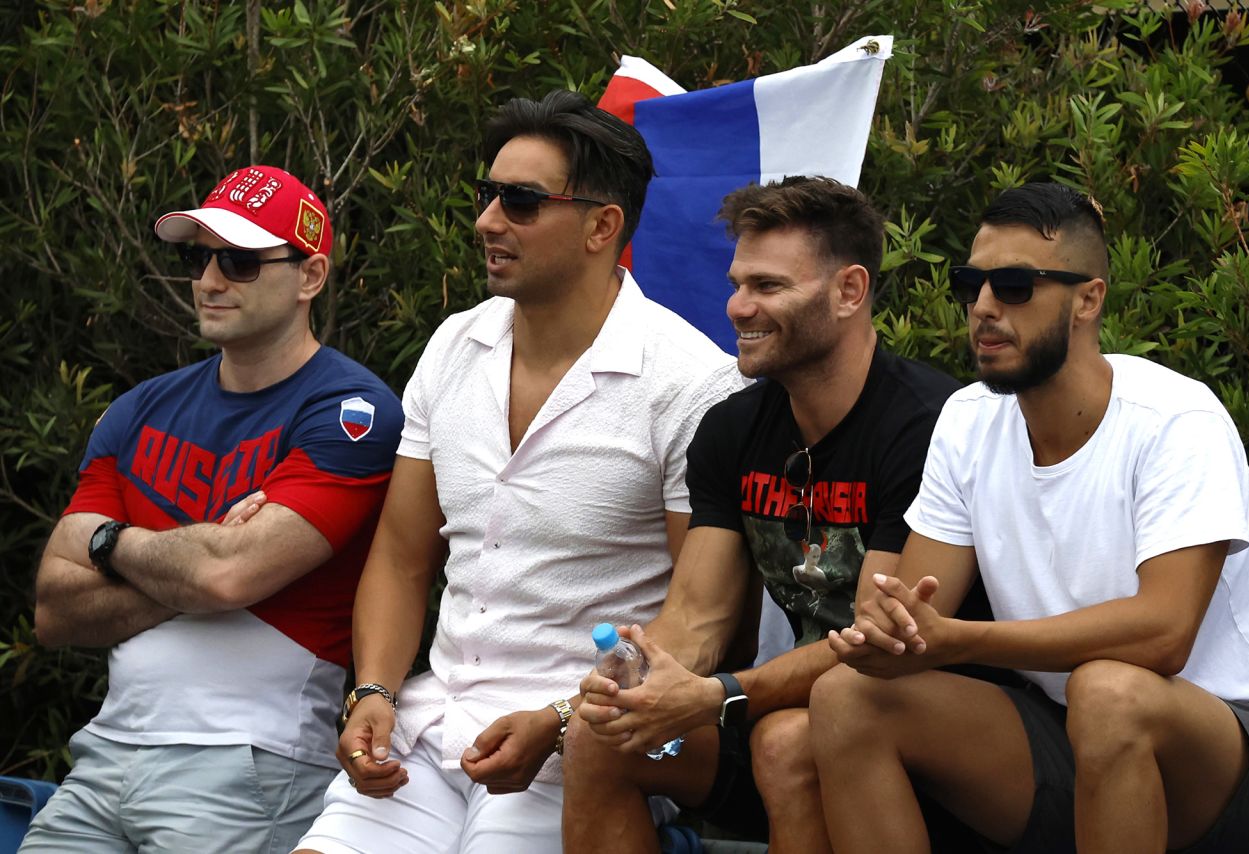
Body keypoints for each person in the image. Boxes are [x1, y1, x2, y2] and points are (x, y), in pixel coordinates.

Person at [291, 90, 744, 854]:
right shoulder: (453, 345)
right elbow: (402, 560)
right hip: (429, 728)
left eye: (523, 201)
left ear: (604, 226)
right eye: (488, 194)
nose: (488, 221)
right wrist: (373, 690)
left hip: (589, 740)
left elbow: (699, 626)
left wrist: (566, 719)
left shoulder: (691, 382)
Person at [810, 181, 1249, 853]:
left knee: (1109, 692)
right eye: (972, 285)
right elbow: (920, 610)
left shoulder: (1176, 419)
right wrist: (889, 629)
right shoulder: (968, 421)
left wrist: (964, 641)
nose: (984, 307)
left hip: (1232, 749)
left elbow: (1163, 635)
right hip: (1067, 728)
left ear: (1088, 299)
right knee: (842, 700)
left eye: (1015, 286)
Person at [565, 176, 988, 853]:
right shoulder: (732, 431)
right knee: (601, 734)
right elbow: (698, 617)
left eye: (767, 286)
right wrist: (640, 682)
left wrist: (720, 693)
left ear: (850, 291)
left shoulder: (926, 426)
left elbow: (870, 645)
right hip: (781, 705)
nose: (737, 306)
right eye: (737, 283)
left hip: (921, 724)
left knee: (792, 740)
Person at [25, 166, 403, 853]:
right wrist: (195, 568)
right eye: (198, 257)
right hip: (104, 755)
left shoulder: (353, 412)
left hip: (249, 758)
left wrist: (109, 545)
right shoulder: (138, 408)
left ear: (310, 276)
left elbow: (227, 578)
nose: (208, 279)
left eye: (239, 261)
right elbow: (54, 609)